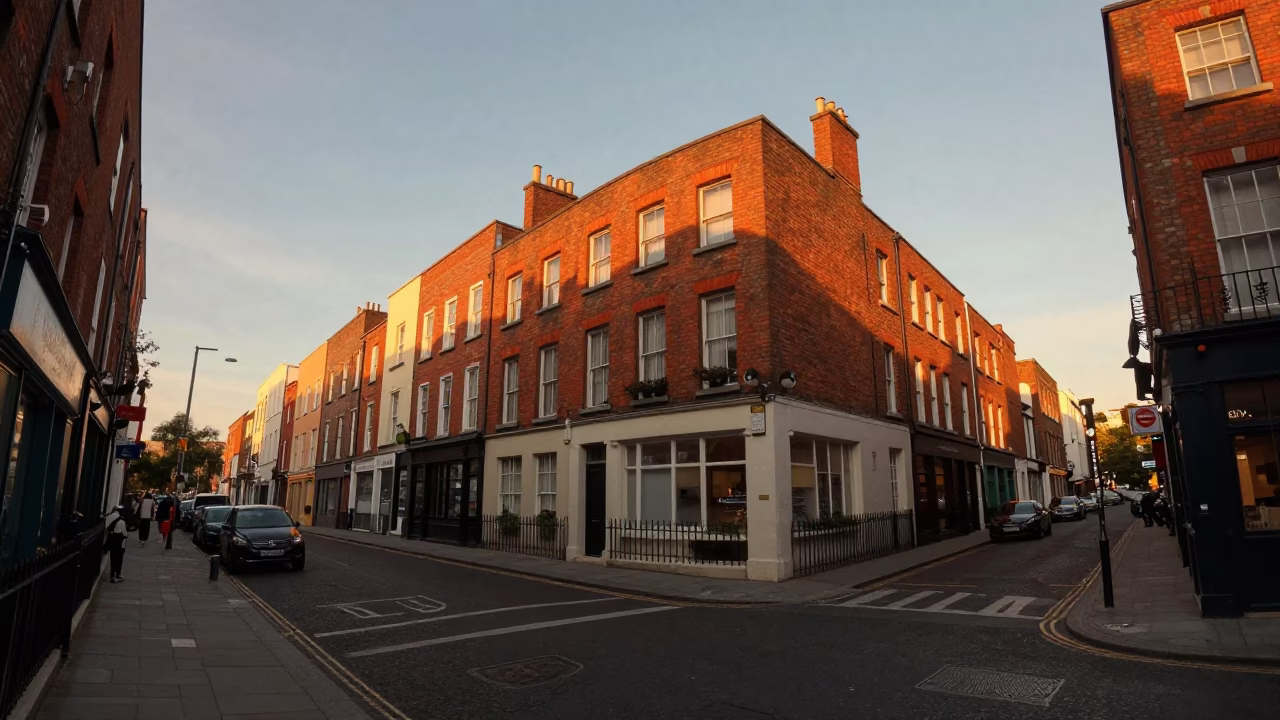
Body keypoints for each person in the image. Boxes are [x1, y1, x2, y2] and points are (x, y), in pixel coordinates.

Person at [104, 504, 130, 582]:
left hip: (112, 541)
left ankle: (112, 575)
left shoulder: (111, 518)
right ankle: (117, 575)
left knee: (113, 558)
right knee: (119, 559)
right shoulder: (121, 521)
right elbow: (125, 534)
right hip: (120, 542)